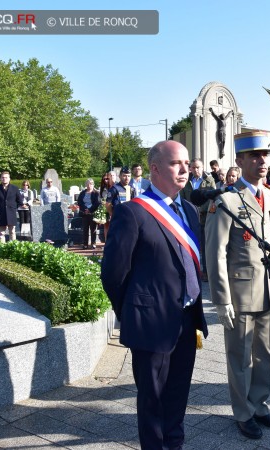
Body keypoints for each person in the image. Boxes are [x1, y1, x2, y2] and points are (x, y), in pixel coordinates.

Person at [101, 140, 208, 450]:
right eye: (177, 163)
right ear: (156, 169)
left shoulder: (188, 209)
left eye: (187, 163)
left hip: (186, 321)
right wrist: (134, 312)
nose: (186, 169)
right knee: (153, 403)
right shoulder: (133, 213)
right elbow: (113, 273)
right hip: (150, 326)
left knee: (177, 397)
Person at [205, 131, 270, 439]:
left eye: (265, 155)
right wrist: (221, 299)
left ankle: (259, 405)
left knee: (265, 354)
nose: (262, 160)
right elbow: (215, 253)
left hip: (267, 291)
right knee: (239, 357)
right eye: (254, 155)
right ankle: (242, 413)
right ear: (239, 160)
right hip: (239, 294)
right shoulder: (225, 202)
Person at [180, 158, 216, 281]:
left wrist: (200, 209)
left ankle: (205, 271)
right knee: (189, 244)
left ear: (202, 167)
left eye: (198, 167)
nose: (196, 170)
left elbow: (212, 197)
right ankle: (191, 270)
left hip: (205, 218)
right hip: (189, 217)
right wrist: (191, 210)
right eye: (194, 167)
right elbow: (183, 197)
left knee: (205, 246)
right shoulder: (187, 180)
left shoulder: (209, 180)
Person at [0, 171, 23, 241]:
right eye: (3, 177)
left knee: (12, 232)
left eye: (6, 177)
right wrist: (0, 206)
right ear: (0, 178)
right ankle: (2, 249)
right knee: (1, 233)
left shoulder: (15, 188)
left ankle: (13, 247)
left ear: (9, 179)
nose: (4, 179)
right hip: (1, 213)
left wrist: (13, 207)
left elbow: (19, 201)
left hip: (11, 213)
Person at [77, 178, 101, 249]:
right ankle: (85, 244)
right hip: (84, 213)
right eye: (88, 184)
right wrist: (85, 209)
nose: (89, 185)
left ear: (93, 185)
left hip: (92, 213)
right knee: (85, 229)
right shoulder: (82, 193)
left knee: (93, 229)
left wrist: (90, 210)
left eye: (90, 184)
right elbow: (80, 202)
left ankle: (93, 243)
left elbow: (97, 203)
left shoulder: (96, 193)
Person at [99, 172, 115, 242]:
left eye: (107, 179)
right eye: (104, 179)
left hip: (112, 207)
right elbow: (100, 197)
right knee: (106, 226)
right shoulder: (103, 188)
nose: (106, 180)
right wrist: (102, 201)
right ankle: (106, 241)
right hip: (105, 208)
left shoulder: (114, 187)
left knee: (113, 225)